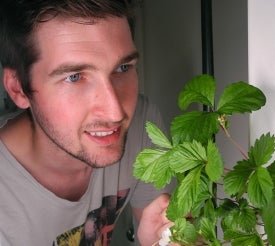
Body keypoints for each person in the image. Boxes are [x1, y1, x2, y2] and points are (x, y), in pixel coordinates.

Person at [0, 1, 174, 245]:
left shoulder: (143, 125)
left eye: (123, 67)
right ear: (18, 88)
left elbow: (158, 226)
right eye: (74, 77)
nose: (115, 113)